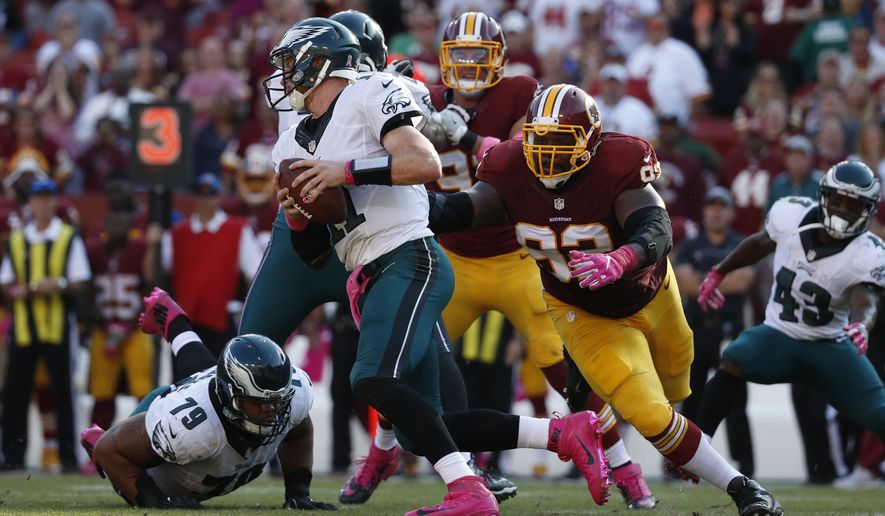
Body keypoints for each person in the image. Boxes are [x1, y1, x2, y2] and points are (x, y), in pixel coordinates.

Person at [268, 18, 608, 515]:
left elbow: (423, 163)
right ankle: (561, 433)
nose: (283, 77)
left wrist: (344, 171)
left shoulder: (371, 91)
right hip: (365, 268)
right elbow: (315, 254)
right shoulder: (290, 145)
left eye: (290, 65)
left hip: (408, 256)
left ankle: (468, 493)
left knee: (369, 380)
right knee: (418, 425)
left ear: (320, 62)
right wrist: (299, 220)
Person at [425, 83, 784, 515]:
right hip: (585, 312)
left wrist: (623, 257)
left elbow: (658, 228)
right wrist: (404, 201)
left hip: (652, 293)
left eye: (560, 141)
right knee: (650, 416)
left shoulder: (618, 162)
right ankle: (745, 489)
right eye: (539, 140)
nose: (546, 153)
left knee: (678, 382)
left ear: (590, 143)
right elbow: (463, 209)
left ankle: (688, 450)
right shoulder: (508, 167)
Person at [426, 12, 655, 507]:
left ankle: (624, 466)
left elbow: (515, 156)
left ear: (499, 60)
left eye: (477, 54)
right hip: (454, 258)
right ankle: (391, 457)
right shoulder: (422, 96)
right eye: (458, 54)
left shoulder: (521, 95)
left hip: (514, 257)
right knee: (410, 359)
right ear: (444, 59)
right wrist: (416, 123)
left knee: (563, 368)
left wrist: (461, 136)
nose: (467, 64)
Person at [696, 160, 885, 481]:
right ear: (823, 195)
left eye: (853, 204)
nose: (842, 209)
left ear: (867, 211)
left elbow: (866, 298)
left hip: (831, 344)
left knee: (880, 413)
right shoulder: (790, 215)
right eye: (837, 199)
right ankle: (695, 451)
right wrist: (719, 272)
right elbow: (758, 243)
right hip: (778, 335)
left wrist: (861, 324)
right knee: (734, 358)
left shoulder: (868, 251)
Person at [79, 288, 336, 510]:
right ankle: (98, 435)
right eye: (258, 402)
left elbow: (299, 431)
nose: (270, 409)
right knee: (112, 451)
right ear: (231, 395)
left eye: (276, 401)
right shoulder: (189, 428)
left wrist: (298, 492)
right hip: (162, 410)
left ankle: (173, 321)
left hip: (210, 388)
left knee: (207, 373)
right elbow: (109, 452)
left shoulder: (292, 394)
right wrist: (155, 501)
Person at [0, 179, 91, 472]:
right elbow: (5, 282)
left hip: (56, 326)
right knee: (16, 392)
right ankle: (13, 457)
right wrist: (14, 291)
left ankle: (68, 457)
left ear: (54, 202)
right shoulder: (17, 239)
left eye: (47, 198)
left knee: (63, 392)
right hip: (24, 329)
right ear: (30, 203)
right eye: (37, 198)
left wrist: (59, 284)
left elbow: (80, 281)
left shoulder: (66, 236)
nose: (42, 204)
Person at [674, 187, 755, 476]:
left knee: (735, 402)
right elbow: (685, 284)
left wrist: (704, 282)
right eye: (711, 206)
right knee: (690, 397)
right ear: (705, 211)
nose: (717, 212)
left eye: (723, 206)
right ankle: (681, 462)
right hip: (697, 331)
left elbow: (744, 279)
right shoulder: (690, 244)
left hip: (730, 332)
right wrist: (720, 280)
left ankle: (745, 464)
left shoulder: (740, 244)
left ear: (732, 212)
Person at [85, 202, 157, 432]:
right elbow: (86, 292)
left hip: (135, 329)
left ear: (129, 226)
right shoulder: (94, 252)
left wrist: (128, 324)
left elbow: (151, 284)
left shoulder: (140, 249)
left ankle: (147, 441)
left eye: (121, 223)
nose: (116, 227)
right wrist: (102, 324)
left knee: (143, 390)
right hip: (104, 330)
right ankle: (96, 443)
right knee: (102, 391)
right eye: (112, 223)